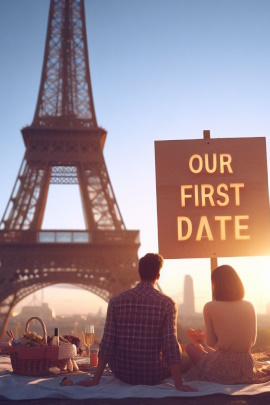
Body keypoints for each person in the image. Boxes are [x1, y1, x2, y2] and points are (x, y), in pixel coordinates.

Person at [76, 253, 195, 391]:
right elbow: (170, 345)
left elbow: (107, 342)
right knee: (182, 352)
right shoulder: (167, 303)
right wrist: (179, 385)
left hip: (122, 373)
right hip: (154, 375)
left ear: (139, 272)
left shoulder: (116, 301)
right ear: (158, 276)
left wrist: (95, 380)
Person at [184, 264, 267, 384]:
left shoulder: (209, 306)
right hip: (246, 365)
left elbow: (212, 343)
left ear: (216, 285)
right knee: (207, 349)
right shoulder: (249, 305)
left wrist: (200, 338)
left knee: (190, 348)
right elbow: (252, 341)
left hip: (222, 367)